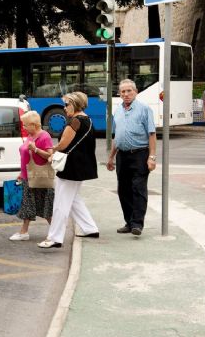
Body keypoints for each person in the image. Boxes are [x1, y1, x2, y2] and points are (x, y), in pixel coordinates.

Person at [38, 92, 99, 249]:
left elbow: (63, 145)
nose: (64, 108)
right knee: (74, 201)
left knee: (61, 203)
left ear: (75, 104)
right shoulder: (88, 120)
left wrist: (51, 150)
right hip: (81, 166)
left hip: (71, 168)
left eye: (67, 105)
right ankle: (90, 228)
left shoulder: (76, 121)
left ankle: (55, 238)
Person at [106, 79, 157, 236]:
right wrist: (111, 157)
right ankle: (129, 222)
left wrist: (152, 157)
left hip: (140, 154)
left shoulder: (144, 109)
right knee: (123, 190)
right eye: (123, 91)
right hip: (122, 155)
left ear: (135, 92)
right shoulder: (118, 111)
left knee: (138, 188)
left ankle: (137, 224)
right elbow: (117, 136)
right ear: (119, 94)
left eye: (129, 91)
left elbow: (152, 134)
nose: (126, 94)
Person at [9, 111, 54, 241]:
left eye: (25, 125)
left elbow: (50, 155)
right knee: (28, 204)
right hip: (27, 176)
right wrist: (21, 173)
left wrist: (35, 149)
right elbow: (25, 157)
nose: (23, 127)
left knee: (44, 206)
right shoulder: (30, 136)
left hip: (38, 177)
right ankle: (24, 232)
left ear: (33, 125)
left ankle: (55, 231)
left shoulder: (44, 136)